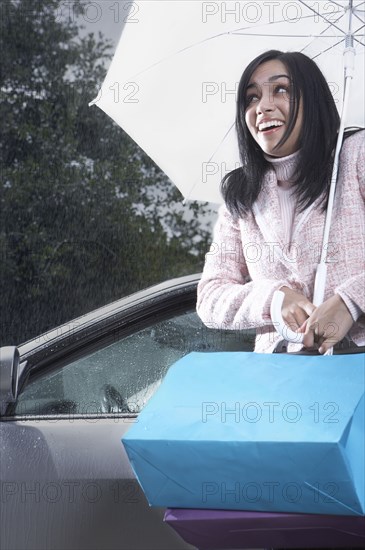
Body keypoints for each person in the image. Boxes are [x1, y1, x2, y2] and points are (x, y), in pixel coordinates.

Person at [197, 50, 365, 354]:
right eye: (251, 98)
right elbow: (210, 296)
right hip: (283, 382)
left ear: (312, 100)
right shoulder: (242, 195)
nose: (263, 107)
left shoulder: (357, 156)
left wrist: (351, 301)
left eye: (281, 90)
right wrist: (275, 299)